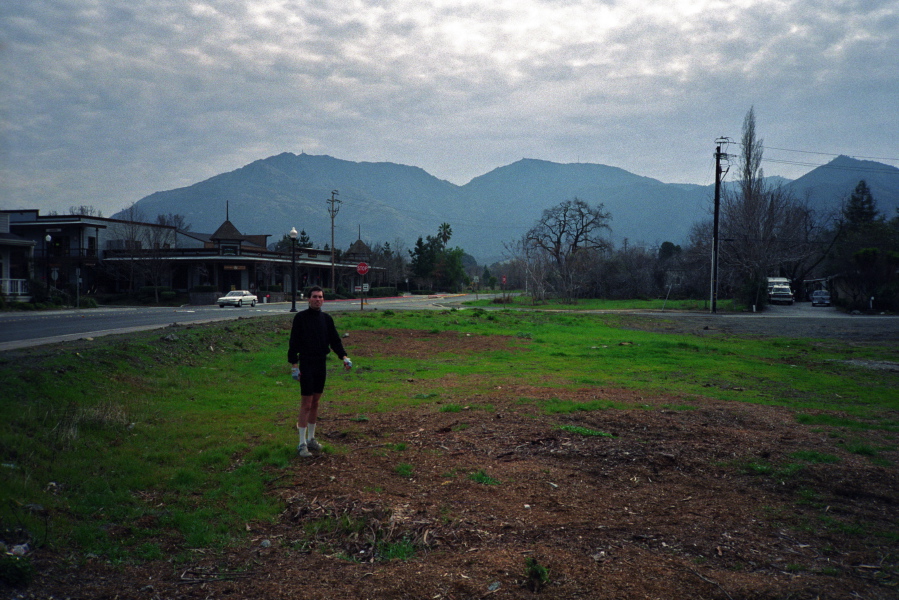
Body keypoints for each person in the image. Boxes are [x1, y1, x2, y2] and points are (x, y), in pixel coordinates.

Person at [287, 286, 352, 457]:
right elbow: (293, 342)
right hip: (306, 362)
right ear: (308, 299)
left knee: (316, 402)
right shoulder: (300, 318)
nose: (317, 299)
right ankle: (301, 443)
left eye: (320, 297)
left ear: (323, 300)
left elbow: (335, 341)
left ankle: (311, 439)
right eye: (314, 297)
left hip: (320, 363)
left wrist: (344, 357)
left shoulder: (326, 319)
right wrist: (294, 365)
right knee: (306, 403)